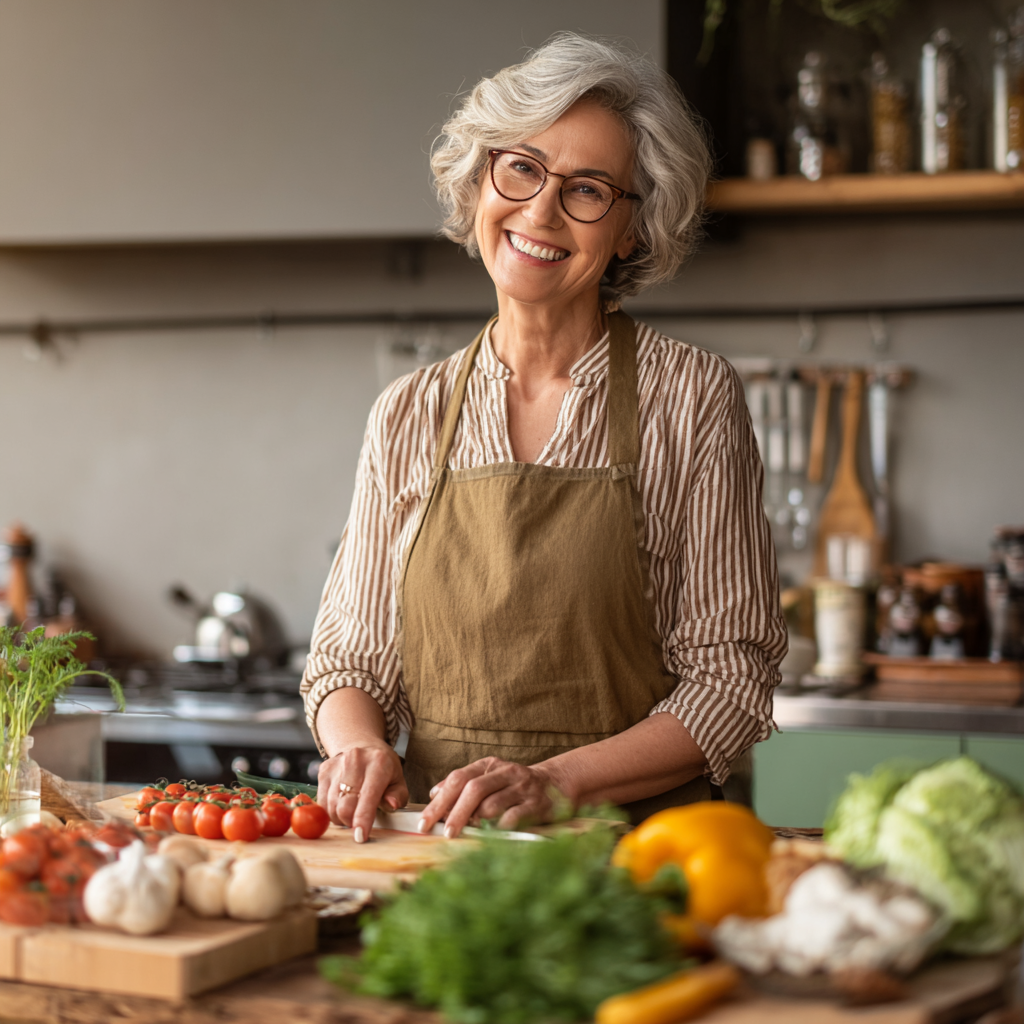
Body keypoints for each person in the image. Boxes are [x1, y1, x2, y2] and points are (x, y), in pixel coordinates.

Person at [301, 33, 786, 843]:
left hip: (637, 862)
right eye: (521, 167)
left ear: (634, 228)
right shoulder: (407, 413)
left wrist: (552, 782)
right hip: (443, 863)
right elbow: (351, 664)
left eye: (588, 189)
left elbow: (728, 685)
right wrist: (356, 748)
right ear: (479, 178)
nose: (540, 211)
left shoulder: (692, 396)